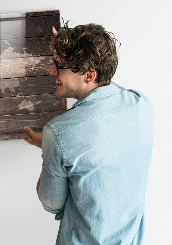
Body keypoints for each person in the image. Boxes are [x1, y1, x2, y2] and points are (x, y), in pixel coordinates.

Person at [23, 23, 153, 244]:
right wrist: (71, 51)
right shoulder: (141, 104)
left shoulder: (58, 132)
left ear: (89, 75)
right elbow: (106, 85)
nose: (52, 71)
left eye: (59, 65)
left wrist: (50, 148)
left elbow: (51, 203)